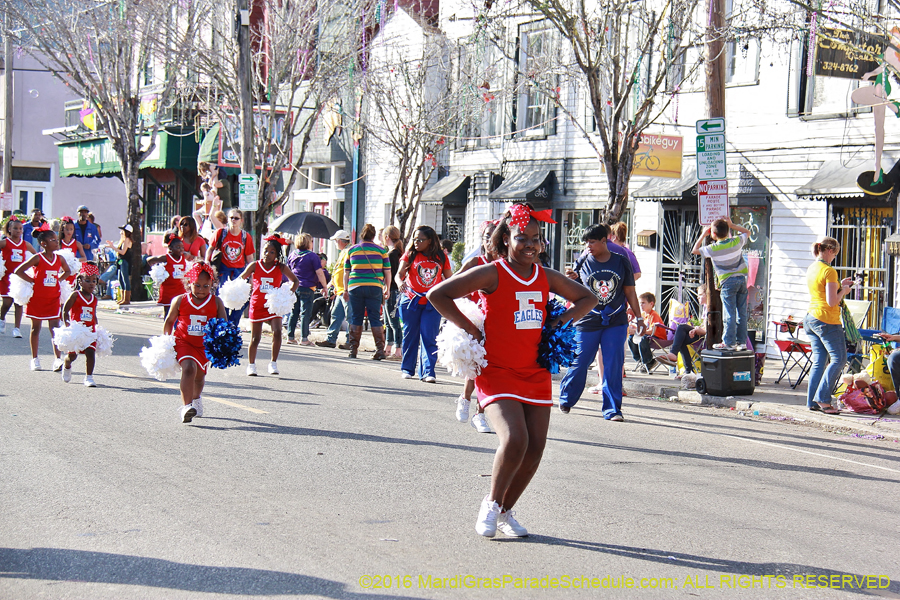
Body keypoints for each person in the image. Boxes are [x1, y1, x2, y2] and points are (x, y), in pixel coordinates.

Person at [428, 203, 596, 537]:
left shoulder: (545, 276)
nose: (530, 244)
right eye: (522, 237)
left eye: (536, 238)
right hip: (497, 371)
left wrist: (558, 321)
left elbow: (587, 299)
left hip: (534, 373)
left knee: (535, 448)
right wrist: (470, 328)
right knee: (515, 438)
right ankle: (490, 504)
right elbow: (438, 294)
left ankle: (505, 512)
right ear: (506, 238)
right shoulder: (493, 272)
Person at [559, 224, 644, 420]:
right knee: (581, 361)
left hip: (616, 320)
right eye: (586, 242)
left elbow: (630, 291)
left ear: (604, 241)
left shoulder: (621, 262)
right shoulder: (583, 261)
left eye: (592, 242)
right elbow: (573, 291)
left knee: (614, 363)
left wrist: (639, 318)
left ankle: (612, 410)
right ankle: (566, 397)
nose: (588, 246)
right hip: (587, 320)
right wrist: (571, 279)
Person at [164, 262, 227, 423]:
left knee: (199, 377)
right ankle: (186, 406)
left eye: (206, 286)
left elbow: (223, 325)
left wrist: (221, 345)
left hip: (204, 345)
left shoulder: (217, 302)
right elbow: (170, 321)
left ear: (212, 284)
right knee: (189, 369)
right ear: (189, 283)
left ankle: (196, 398)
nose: (201, 290)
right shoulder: (179, 300)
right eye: (197, 285)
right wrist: (165, 342)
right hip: (183, 342)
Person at [452, 219, 498, 433]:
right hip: (476, 320)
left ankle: (480, 414)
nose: (491, 241)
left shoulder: (506, 264)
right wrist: (466, 306)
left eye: (495, 236)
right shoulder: (475, 262)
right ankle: (465, 398)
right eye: (487, 237)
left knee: (489, 367)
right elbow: (452, 284)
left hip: (498, 320)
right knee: (476, 366)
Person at [396, 226, 452, 381]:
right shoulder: (411, 254)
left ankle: (428, 372)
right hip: (411, 300)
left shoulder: (441, 257)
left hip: (432, 303)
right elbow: (398, 274)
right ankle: (407, 368)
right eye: (414, 239)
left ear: (430, 241)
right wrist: (399, 282)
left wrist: (449, 295)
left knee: (429, 336)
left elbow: (449, 279)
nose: (416, 242)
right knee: (410, 335)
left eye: (420, 240)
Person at [804, 236, 853, 415]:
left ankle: (812, 401)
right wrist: (845, 291)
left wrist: (841, 287)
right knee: (839, 359)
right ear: (830, 250)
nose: (834, 259)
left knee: (819, 361)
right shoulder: (829, 271)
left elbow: (823, 294)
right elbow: (833, 302)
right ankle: (824, 400)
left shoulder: (812, 268)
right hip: (827, 320)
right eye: (835, 255)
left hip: (811, 317)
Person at [13, 224, 71, 372]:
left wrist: (59, 280)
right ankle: (35, 359)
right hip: (38, 298)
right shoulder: (37, 258)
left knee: (55, 329)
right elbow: (18, 270)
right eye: (53, 240)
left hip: (53, 298)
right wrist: (32, 281)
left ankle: (57, 359)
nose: (56, 242)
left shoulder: (59, 258)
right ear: (43, 244)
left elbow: (68, 271)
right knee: (35, 328)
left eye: (56, 239)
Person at [239, 235, 299, 376]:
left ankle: (273, 363)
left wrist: (286, 295)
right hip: (257, 304)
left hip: (274, 305)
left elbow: (295, 281)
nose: (268, 254)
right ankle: (251, 365)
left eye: (272, 252)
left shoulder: (281, 267)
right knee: (255, 338)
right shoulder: (255, 265)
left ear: (277, 254)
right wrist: (240, 291)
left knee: (277, 332)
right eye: (266, 250)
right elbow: (241, 278)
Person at [850, 26, 900, 191]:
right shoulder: (891, 50)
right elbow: (883, 67)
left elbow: (885, 67)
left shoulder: (893, 52)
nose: (892, 37)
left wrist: (872, 74)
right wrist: (871, 74)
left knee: (879, 126)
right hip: (879, 86)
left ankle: (892, 105)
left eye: (894, 35)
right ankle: (877, 171)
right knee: (878, 127)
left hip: (882, 87)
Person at [691, 216, 751, 350]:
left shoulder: (713, 248)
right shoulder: (736, 242)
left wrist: (702, 234)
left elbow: (695, 250)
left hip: (727, 282)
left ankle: (728, 343)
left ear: (713, 234)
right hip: (741, 279)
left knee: (729, 313)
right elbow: (747, 232)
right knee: (741, 312)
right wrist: (733, 225)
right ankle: (741, 342)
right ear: (727, 230)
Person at [343, 224, 392, 359]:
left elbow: (346, 272)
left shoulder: (352, 250)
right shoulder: (381, 251)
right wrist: (387, 288)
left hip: (355, 286)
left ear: (361, 235)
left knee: (356, 317)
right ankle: (380, 350)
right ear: (374, 236)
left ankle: (353, 350)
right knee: (375, 317)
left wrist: (345, 289)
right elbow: (387, 272)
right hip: (375, 286)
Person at [206, 208, 255, 327]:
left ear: (241, 220)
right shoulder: (220, 233)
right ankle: (223, 327)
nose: (233, 220)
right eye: (231, 218)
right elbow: (210, 249)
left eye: (236, 218)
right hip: (223, 271)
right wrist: (207, 262)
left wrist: (252, 276)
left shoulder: (245, 236)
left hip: (239, 272)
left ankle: (232, 326)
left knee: (241, 301)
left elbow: (249, 258)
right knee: (222, 301)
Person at [61, 262, 100, 387]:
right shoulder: (75, 295)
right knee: (72, 356)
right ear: (80, 281)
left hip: (90, 330)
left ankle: (89, 377)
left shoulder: (94, 298)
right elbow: (65, 311)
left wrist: (97, 327)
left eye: (94, 281)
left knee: (90, 352)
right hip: (76, 330)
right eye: (87, 280)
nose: (91, 283)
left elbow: (94, 314)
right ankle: (67, 365)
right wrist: (68, 327)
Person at [658, 284, 708, 377]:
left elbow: (708, 329)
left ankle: (674, 355)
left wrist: (697, 329)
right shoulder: (705, 307)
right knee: (680, 338)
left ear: (708, 294)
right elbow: (703, 325)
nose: (698, 297)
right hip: (700, 332)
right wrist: (696, 329)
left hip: (707, 336)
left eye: (701, 294)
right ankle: (688, 371)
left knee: (681, 328)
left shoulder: (711, 308)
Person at [286, 233, 327, 346]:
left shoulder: (292, 254)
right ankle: (304, 338)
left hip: (294, 286)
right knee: (305, 313)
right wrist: (324, 286)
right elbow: (319, 272)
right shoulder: (312, 256)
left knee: (294, 312)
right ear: (308, 243)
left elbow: (288, 270)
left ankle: (290, 336)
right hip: (308, 286)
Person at [0, 217, 37, 338]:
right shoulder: (5, 242)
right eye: (15, 228)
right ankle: (2, 319)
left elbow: (36, 256)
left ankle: (17, 328)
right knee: (7, 302)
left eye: (20, 228)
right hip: (7, 277)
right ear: (9, 229)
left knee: (18, 303)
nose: (18, 230)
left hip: (20, 278)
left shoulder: (26, 244)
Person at [315, 230, 352, 349]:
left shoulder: (348, 252)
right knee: (336, 315)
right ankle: (331, 339)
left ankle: (350, 341)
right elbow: (338, 272)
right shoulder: (343, 253)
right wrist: (330, 285)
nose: (335, 243)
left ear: (340, 241)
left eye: (336, 241)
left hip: (346, 290)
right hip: (340, 291)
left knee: (350, 316)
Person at [146, 234, 188, 316]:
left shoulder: (184, 256)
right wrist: (156, 270)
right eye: (178, 247)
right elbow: (149, 259)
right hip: (168, 290)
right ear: (170, 249)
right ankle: (167, 328)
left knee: (180, 312)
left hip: (180, 289)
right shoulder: (166, 257)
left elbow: (192, 257)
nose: (181, 249)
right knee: (168, 312)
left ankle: (177, 328)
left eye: (182, 247)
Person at [627, 292, 665, 372]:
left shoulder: (654, 315)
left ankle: (648, 361)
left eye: (643, 303)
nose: (641, 305)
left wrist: (636, 331)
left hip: (657, 337)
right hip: (648, 336)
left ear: (651, 304)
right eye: (640, 303)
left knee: (642, 338)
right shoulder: (643, 315)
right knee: (631, 338)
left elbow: (652, 331)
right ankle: (639, 359)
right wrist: (633, 328)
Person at [382, 226, 404, 360]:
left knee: (393, 321)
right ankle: (388, 347)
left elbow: (389, 274)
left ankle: (398, 350)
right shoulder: (397, 253)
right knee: (388, 321)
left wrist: (387, 287)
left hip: (392, 289)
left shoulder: (391, 255)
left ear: (387, 237)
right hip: (392, 289)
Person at [58, 216, 87, 284]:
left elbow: (84, 258)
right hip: (61, 271)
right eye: (67, 229)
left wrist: (75, 260)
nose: (69, 232)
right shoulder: (58, 243)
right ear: (62, 230)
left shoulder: (77, 243)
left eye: (71, 229)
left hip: (72, 271)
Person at [112, 224, 135, 305]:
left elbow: (123, 252)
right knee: (120, 278)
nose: (121, 232)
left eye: (123, 231)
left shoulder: (127, 240)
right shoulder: (123, 240)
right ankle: (122, 298)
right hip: (121, 261)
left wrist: (113, 247)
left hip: (125, 261)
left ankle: (127, 299)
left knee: (125, 279)